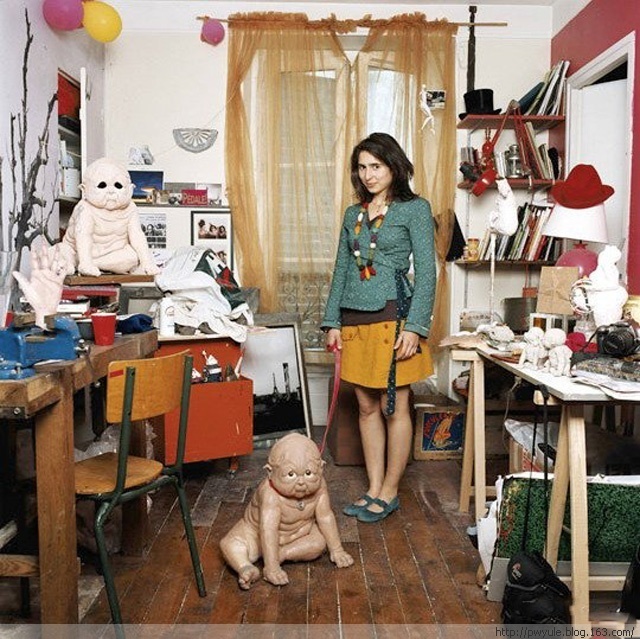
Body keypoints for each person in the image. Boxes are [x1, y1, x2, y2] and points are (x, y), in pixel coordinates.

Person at [321, 132, 436, 523]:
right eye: (362, 167)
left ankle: (390, 490)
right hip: (354, 318)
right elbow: (341, 269)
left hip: (394, 316)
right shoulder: (352, 214)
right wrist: (332, 321)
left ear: (394, 166)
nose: (368, 175)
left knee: (394, 405)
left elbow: (427, 273)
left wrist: (415, 327)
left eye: (376, 166)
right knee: (366, 406)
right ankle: (373, 488)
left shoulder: (414, 209)